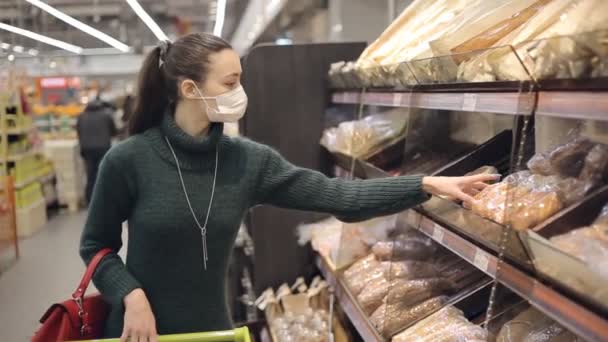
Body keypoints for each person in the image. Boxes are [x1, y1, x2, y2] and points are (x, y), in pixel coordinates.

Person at [79, 33, 497, 342]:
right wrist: (131, 295)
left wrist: (424, 184)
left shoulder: (247, 161)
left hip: (214, 333)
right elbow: (95, 245)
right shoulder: (128, 160)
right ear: (190, 90)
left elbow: (340, 197)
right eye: (229, 84)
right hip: (137, 332)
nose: (240, 93)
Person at [76, 95, 117, 204]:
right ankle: (103, 200)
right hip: (103, 148)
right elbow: (114, 132)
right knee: (103, 173)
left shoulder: (81, 116)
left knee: (90, 175)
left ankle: (89, 199)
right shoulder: (106, 115)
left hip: (87, 149)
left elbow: (78, 132)